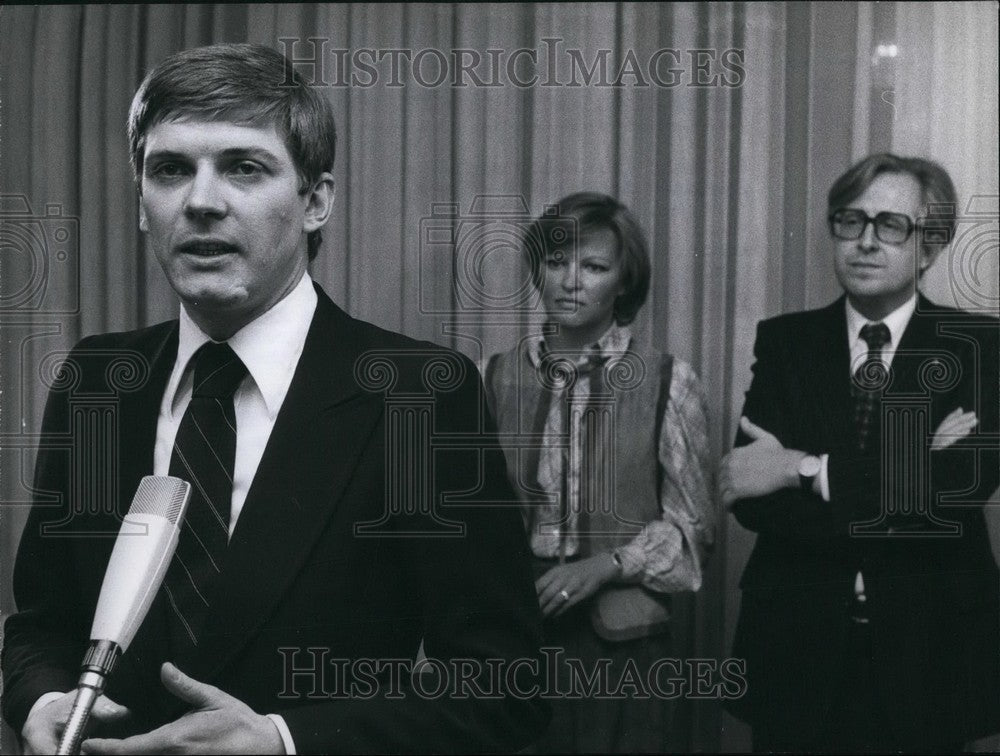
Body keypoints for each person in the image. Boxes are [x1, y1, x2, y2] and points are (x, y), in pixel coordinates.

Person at [2, 43, 548, 754]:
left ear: (316, 201)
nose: (201, 201)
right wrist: (42, 697)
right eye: (170, 170)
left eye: (243, 167)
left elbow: (505, 687)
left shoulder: (419, 395)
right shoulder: (97, 379)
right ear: (142, 203)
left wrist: (286, 740)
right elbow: (41, 625)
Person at [721, 153, 1000, 752]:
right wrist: (910, 471)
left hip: (932, 653)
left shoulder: (980, 345)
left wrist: (800, 469)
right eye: (851, 221)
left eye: (891, 225)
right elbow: (750, 499)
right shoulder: (787, 340)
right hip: (798, 648)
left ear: (929, 246)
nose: (867, 241)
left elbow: (956, 489)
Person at [481, 192, 715, 752]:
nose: (571, 281)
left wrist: (607, 566)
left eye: (594, 267)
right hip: (516, 636)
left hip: (624, 650)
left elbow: (692, 531)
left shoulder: (667, 381)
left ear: (624, 281)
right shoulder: (492, 376)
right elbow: (470, 520)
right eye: (557, 262)